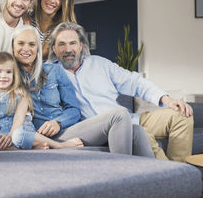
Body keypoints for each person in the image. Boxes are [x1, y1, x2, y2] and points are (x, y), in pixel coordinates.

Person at [0, 25, 149, 156]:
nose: (26, 49)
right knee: (122, 116)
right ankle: (123, 175)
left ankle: (159, 184)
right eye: (20, 43)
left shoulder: (54, 70)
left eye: (32, 44)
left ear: (38, 48)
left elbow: (73, 109)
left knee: (135, 130)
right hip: (36, 136)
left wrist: (57, 121)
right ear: (13, 46)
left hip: (67, 130)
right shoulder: (7, 74)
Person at [48, 21, 194, 162]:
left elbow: (135, 82)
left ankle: (180, 173)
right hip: (99, 129)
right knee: (139, 132)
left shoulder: (100, 64)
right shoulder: (49, 73)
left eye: (72, 43)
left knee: (182, 115)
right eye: (61, 44)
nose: (68, 49)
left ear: (80, 46)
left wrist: (167, 100)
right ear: (54, 49)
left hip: (128, 118)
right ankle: (169, 176)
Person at [0, 51, 83, 151]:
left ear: (14, 75)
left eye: (8, 72)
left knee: (19, 135)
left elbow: (18, 120)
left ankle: (59, 145)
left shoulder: (21, 94)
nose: (3, 76)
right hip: (0, 136)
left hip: (20, 132)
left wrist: (10, 135)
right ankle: (21, 150)